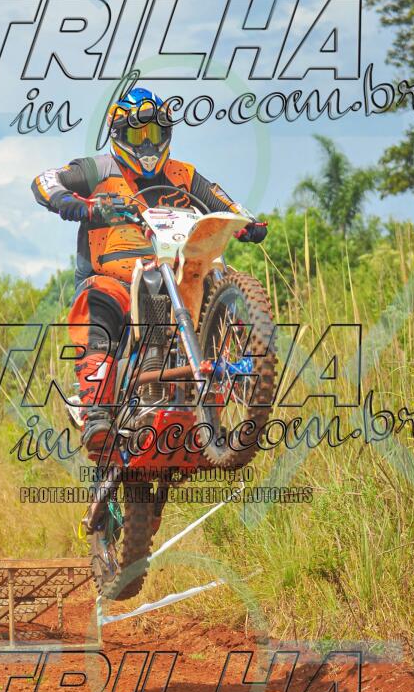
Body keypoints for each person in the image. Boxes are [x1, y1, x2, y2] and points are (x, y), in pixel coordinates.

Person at [31, 87, 267, 452]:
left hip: (173, 273)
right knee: (100, 300)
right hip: (112, 279)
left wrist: (245, 222)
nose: (146, 144)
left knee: (212, 275)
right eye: (137, 133)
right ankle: (97, 412)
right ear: (118, 133)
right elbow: (44, 181)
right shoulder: (98, 170)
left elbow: (222, 202)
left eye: (154, 133)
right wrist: (80, 205)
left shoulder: (183, 174)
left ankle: (236, 377)